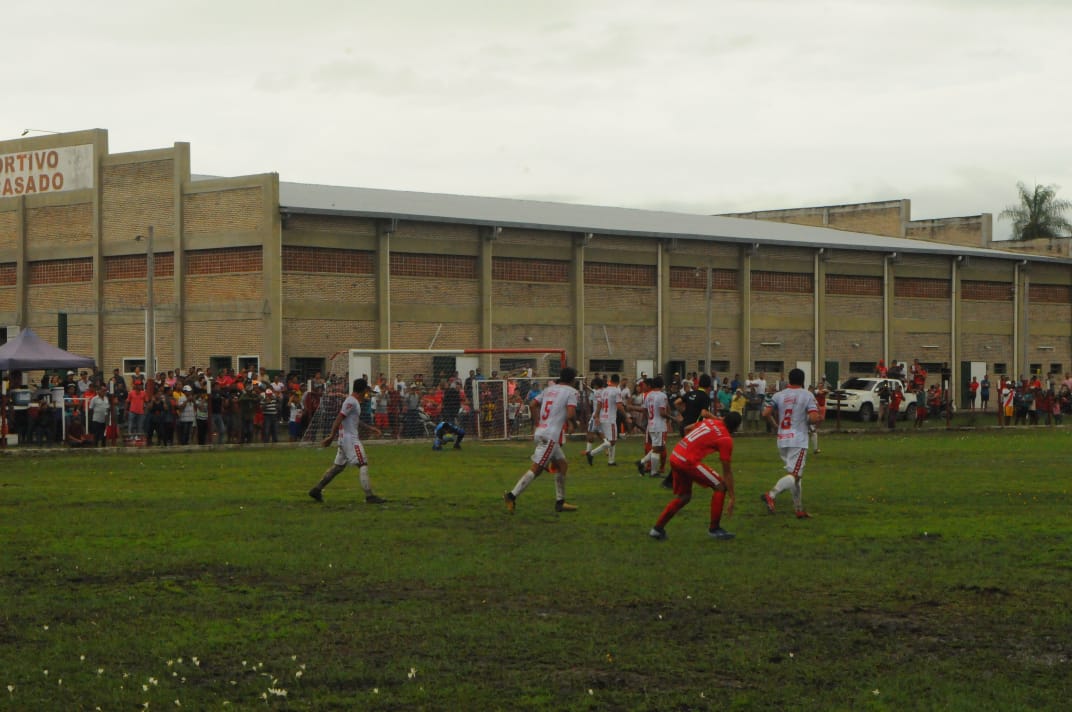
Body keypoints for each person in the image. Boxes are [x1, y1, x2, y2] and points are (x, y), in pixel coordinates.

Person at [649, 411, 741, 541]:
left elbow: (687, 428)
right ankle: (714, 529)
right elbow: (727, 471)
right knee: (720, 486)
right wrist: (732, 496)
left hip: (676, 455)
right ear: (736, 428)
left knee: (684, 496)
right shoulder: (726, 439)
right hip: (687, 461)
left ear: (724, 418)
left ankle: (657, 529)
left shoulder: (710, 421)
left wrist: (689, 446)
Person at [503, 366, 579, 514]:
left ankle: (560, 502)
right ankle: (511, 495)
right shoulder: (572, 392)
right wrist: (574, 424)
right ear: (572, 380)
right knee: (536, 469)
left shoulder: (548, 389)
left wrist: (538, 422)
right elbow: (570, 413)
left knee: (562, 465)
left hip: (543, 431)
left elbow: (532, 404)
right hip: (550, 435)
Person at [308, 378, 386, 504]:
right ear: (362, 390)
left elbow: (354, 420)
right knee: (363, 464)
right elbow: (339, 417)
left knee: (337, 468)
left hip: (345, 439)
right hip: (350, 440)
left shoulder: (354, 402)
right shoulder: (351, 401)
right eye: (366, 391)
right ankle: (369, 496)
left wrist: (370, 428)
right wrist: (331, 436)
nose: (367, 393)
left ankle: (316, 490)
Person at [761, 368, 821, 519]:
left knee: (795, 476)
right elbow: (813, 418)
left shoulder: (779, 395)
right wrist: (815, 418)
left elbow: (765, 413)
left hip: (782, 439)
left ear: (789, 380)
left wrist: (775, 426)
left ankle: (799, 509)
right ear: (803, 380)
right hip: (798, 439)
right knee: (795, 475)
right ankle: (771, 494)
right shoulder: (807, 395)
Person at [636, 376, 673, 478]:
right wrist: (672, 418)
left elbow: (645, 410)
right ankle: (653, 471)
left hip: (651, 424)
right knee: (658, 449)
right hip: (659, 425)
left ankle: (642, 462)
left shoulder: (648, 395)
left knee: (659, 447)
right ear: (662, 385)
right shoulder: (662, 396)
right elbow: (662, 412)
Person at [587, 374, 624, 466]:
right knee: (612, 441)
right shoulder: (616, 390)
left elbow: (599, 403)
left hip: (603, 417)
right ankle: (591, 453)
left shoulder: (604, 391)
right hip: (610, 418)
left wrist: (596, 415)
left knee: (611, 440)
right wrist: (626, 416)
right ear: (618, 382)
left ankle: (611, 461)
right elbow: (619, 406)